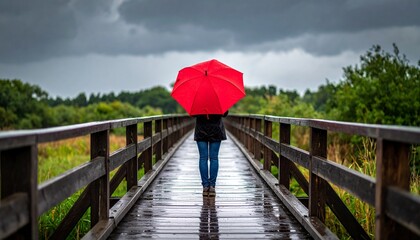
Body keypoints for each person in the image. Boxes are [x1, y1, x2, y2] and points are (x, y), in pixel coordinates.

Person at [194, 111, 228, 197]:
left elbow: (193, 114)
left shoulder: (198, 100)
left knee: (203, 158)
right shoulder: (219, 98)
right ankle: (212, 186)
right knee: (214, 158)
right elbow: (225, 114)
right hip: (216, 129)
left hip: (201, 129)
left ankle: (205, 187)